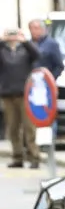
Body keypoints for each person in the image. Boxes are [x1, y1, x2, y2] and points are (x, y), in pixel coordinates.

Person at [1, 28, 41, 168]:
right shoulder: (3, 51)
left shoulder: (25, 50)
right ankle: (17, 156)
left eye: (14, 34)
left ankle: (34, 157)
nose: (12, 37)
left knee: (29, 127)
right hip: (7, 95)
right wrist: (2, 40)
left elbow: (37, 55)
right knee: (12, 128)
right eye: (10, 35)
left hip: (25, 94)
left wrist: (25, 41)